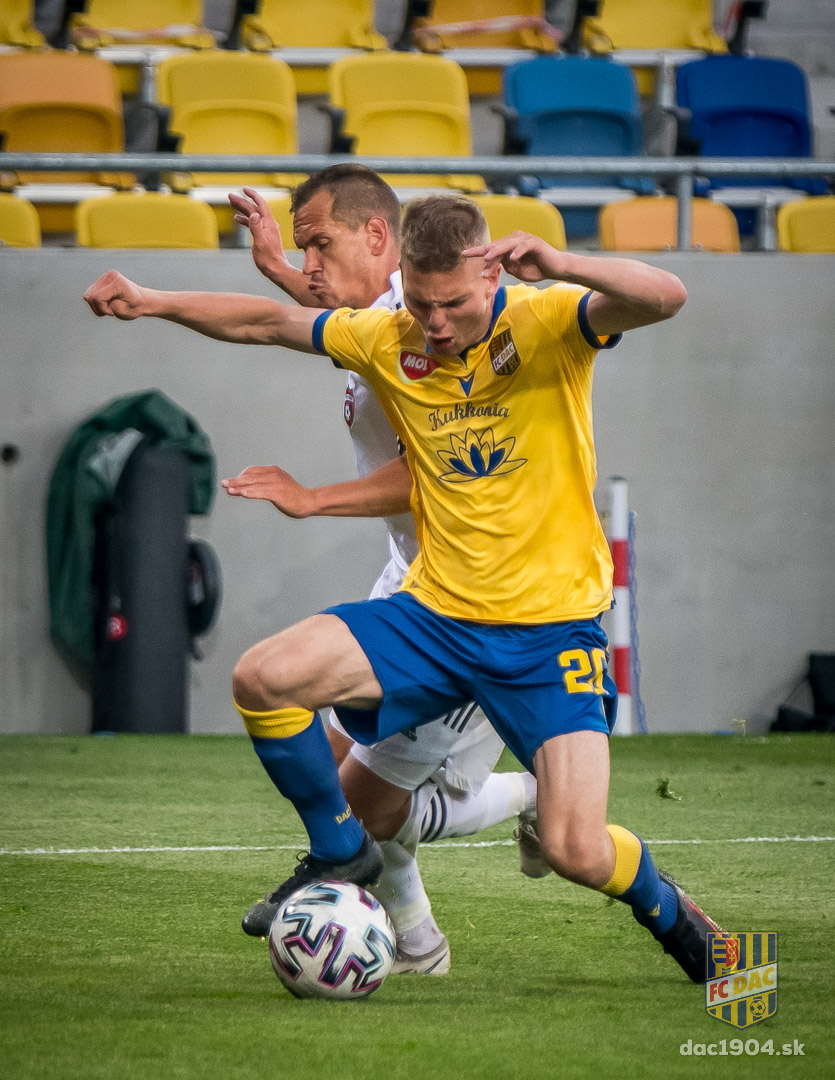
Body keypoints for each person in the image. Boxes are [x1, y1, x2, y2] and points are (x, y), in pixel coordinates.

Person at [83, 194, 724, 983]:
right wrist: (150, 300)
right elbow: (265, 322)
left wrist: (562, 262)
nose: (436, 324)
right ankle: (339, 852)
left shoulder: (549, 320)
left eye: (452, 304)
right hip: (433, 618)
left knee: (574, 849)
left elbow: (665, 296)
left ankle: (670, 911)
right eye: (420, 304)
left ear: (489, 277)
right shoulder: (389, 335)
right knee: (264, 678)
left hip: (550, 633)